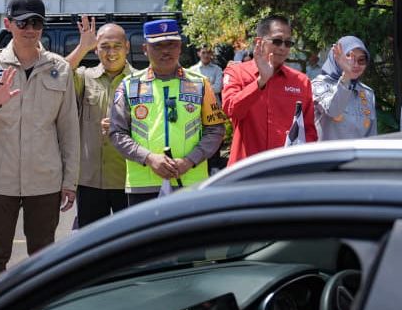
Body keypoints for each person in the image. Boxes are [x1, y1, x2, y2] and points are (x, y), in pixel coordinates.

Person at [0, 0, 79, 283]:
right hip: (0, 179)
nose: (30, 29)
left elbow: (69, 129)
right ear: (8, 24)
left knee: (43, 256)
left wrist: (69, 181)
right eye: (23, 22)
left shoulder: (59, 68)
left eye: (36, 23)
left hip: (45, 179)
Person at [109, 19, 226, 206]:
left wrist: (189, 161)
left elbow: (216, 130)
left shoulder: (200, 83)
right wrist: (149, 158)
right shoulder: (129, 85)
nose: (166, 51)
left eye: (171, 44)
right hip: (143, 184)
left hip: (191, 182)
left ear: (180, 47)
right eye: (158, 46)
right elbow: (116, 132)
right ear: (145, 49)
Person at [65, 15, 134, 226]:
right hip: (90, 180)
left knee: (130, 244)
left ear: (127, 47)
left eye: (117, 46)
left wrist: (124, 128)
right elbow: (56, 74)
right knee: (93, 246)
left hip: (128, 179)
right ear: (96, 49)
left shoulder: (140, 82)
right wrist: (82, 47)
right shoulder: (85, 77)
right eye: (104, 46)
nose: (111, 52)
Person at [222, 16, 316, 166]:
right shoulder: (237, 72)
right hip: (245, 171)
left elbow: (309, 132)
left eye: (288, 43)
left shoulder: (301, 81)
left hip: (284, 173)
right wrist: (260, 82)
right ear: (259, 42)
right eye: (277, 41)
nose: (283, 47)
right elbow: (232, 110)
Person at [311, 36, 377, 141]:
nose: (355, 64)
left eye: (361, 60)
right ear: (336, 58)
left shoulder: (367, 93)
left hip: (358, 157)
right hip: (326, 156)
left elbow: (371, 137)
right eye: (349, 58)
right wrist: (346, 75)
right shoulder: (319, 85)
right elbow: (333, 110)